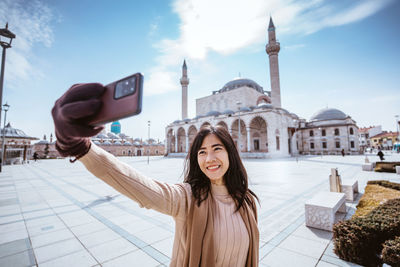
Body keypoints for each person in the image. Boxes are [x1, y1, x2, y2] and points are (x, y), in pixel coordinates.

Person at [52, 83, 260, 267]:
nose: (209, 159)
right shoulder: (187, 198)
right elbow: (139, 186)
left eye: (217, 148)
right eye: (202, 152)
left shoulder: (246, 201)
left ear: (230, 153)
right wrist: (81, 148)